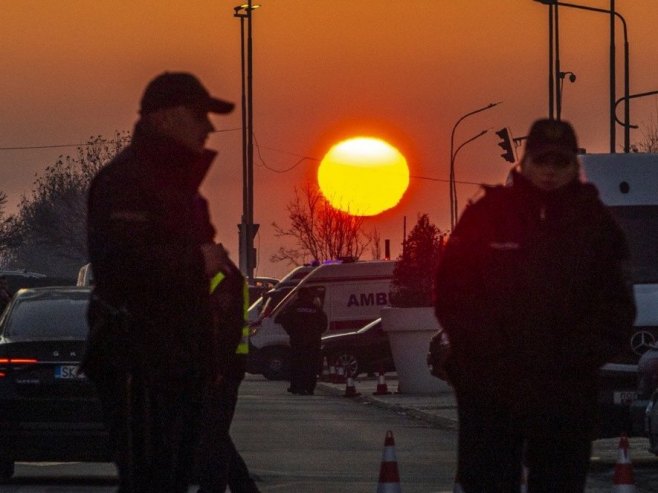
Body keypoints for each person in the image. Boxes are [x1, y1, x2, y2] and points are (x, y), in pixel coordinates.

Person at [434, 118, 636, 492]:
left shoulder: (595, 225)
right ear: (524, 163)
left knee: (558, 482)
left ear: (575, 166)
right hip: (491, 386)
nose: (549, 171)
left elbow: (616, 307)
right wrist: (482, 354)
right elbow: (452, 293)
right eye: (542, 161)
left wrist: (578, 355)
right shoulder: (488, 216)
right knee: (488, 480)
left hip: (564, 388)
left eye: (560, 162)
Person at [81, 72, 234, 493]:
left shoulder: (180, 189)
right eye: (198, 115)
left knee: (174, 477)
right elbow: (122, 263)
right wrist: (197, 261)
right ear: (166, 119)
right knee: (152, 480)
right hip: (141, 364)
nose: (208, 127)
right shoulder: (126, 182)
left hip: (180, 363)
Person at [197, 245, 260, 493]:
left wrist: (218, 369)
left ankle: (217, 486)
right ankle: (240, 486)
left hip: (224, 367)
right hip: (222, 366)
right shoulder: (224, 277)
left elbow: (226, 331)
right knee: (215, 431)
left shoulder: (226, 280)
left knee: (213, 432)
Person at [275, 287, 327, 395]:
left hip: (298, 341)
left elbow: (284, 320)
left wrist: (291, 332)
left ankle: (296, 387)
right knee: (311, 365)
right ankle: (310, 388)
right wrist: (316, 333)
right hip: (313, 341)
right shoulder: (316, 309)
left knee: (297, 364)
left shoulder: (293, 308)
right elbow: (324, 323)